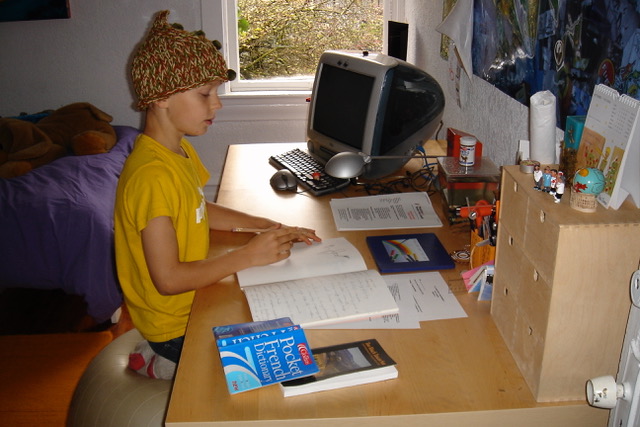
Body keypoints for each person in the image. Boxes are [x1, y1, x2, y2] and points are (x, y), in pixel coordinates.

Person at [114, 10, 321, 379]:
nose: (217, 104)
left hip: (195, 301)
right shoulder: (151, 177)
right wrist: (247, 255)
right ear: (161, 97)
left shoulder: (176, 150)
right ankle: (167, 361)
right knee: (291, 363)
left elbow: (198, 208)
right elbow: (169, 279)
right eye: (205, 93)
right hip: (176, 327)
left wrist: (267, 225)